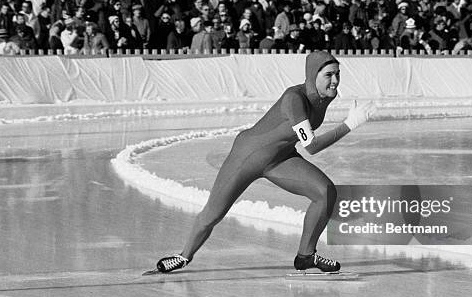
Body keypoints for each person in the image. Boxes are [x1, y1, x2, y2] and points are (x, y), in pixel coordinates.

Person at [156, 51, 372, 273]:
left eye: (337, 74)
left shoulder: (327, 96)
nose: (335, 81)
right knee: (214, 213)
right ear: (312, 75)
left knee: (326, 193)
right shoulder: (294, 99)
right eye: (328, 75)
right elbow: (312, 146)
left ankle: (306, 255)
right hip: (248, 156)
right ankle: (183, 256)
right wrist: (349, 124)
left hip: (280, 157)